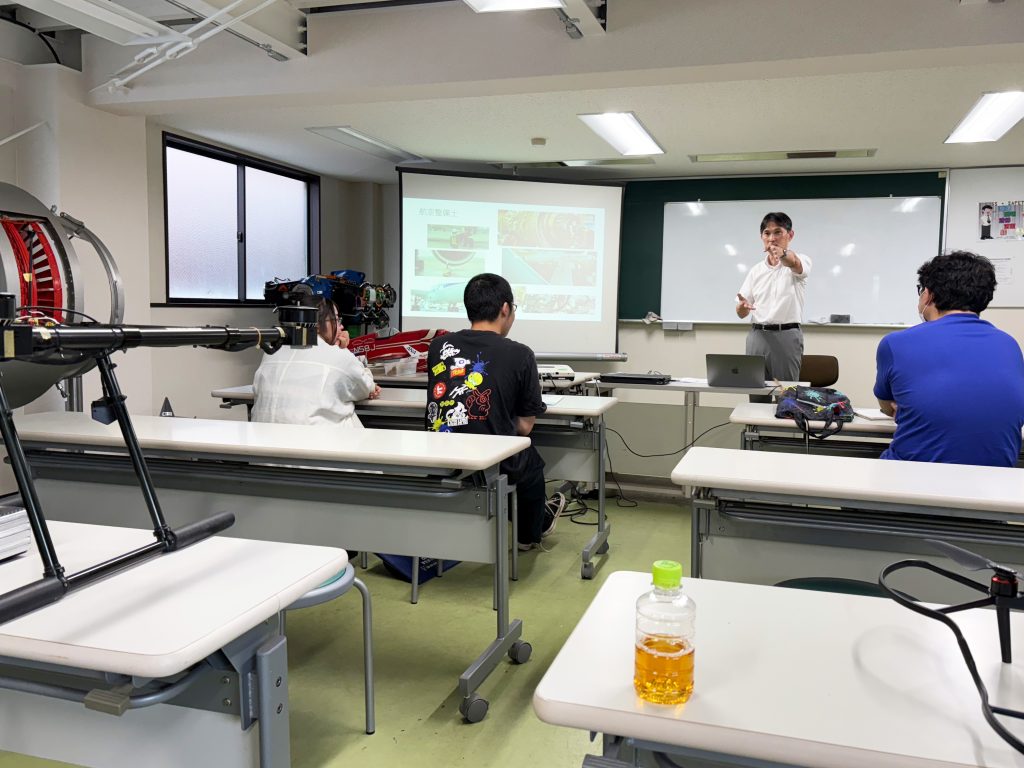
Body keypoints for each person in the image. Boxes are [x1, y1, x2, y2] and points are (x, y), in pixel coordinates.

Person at [424, 273, 563, 552]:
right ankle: (528, 535)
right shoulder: (520, 354)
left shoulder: (438, 346)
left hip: (439, 455)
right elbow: (525, 427)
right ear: (505, 308)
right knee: (529, 462)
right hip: (491, 460)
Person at [873, 250, 1024, 466]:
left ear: (928, 294)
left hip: (911, 477)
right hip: (995, 481)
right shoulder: (1009, 345)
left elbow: (887, 407)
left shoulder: (896, 343)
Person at [252, 296, 381, 427]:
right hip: (313, 437)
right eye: (336, 320)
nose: (341, 326)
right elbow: (367, 387)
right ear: (317, 325)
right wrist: (342, 349)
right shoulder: (337, 354)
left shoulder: (272, 351)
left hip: (261, 435)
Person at [735, 212, 813, 387]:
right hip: (757, 336)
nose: (772, 238)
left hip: (786, 336)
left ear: (790, 235)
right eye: (767, 233)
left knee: (786, 393)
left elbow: (794, 263)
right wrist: (743, 307)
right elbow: (741, 312)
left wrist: (782, 254)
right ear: (761, 237)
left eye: (778, 232)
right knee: (755, 393)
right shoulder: (756, 270)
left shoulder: (801, 260)